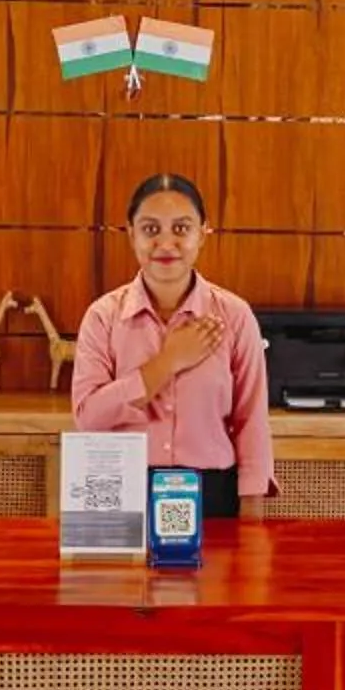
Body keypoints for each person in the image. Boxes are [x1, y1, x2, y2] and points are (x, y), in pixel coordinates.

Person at [70, 173, 275, 518]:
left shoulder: (234, 316)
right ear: (131, 234)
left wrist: (252, 511)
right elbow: (89, 417)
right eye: (151, 229)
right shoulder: (103, 317)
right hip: (121, 489)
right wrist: (168, 361)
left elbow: (251, 419)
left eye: (181, 229)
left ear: (203, 233)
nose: (166, 243)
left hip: (213, 492)